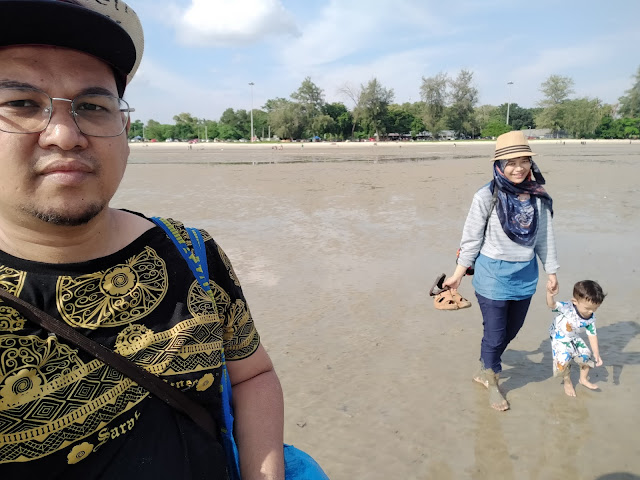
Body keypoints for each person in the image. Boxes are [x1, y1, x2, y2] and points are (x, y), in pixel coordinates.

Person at [0, 1, 284, 479]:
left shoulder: (193, 252)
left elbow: (252, 375)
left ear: (125, 130)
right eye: (22, 104)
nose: (65, 135)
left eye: (92, 106)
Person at [443, 130, 559, 411]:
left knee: (512, 330)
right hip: (491, 275)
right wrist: (457, 274)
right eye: (511, 161)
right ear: (498, 165)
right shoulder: (486, 196)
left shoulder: (538, 196)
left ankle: (486, 364)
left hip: (525, 275)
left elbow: (544, 236)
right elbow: (470, 239)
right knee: (495, 334)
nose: (518, 167)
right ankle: (491, 376)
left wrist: (551, 272)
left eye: (524, 161)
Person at [547, 280, 605, 397]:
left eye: (595, 309)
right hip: (559, 337)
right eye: (588, 308)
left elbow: (592, 335)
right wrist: (550, 295)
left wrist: (596, 354)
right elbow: (551, 305)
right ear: (575, 301)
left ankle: (583, 379)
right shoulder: (567, 307)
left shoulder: (590, 317)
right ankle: (567, 381)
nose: (591, 312)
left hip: (573, 336)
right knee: (563, 361)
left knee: (586, 355)